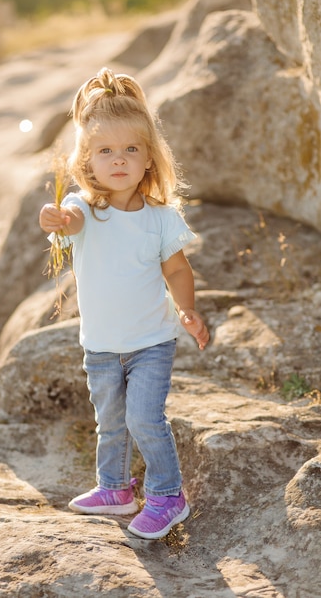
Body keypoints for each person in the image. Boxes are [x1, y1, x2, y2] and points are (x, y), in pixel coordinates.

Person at [39, 67, 209, 540]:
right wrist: (50, 216)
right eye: (105, 151)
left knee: (143, 418)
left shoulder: (160, 219)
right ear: (87, 160)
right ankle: (114, 488)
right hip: (100, 344)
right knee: (110, 420)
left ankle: (167, 495)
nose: (119, 160)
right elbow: (64, 222)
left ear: (149, 159)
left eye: (131, 149)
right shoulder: (85, 209)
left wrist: (188, 310)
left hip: (151, 341)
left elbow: (177, 270)